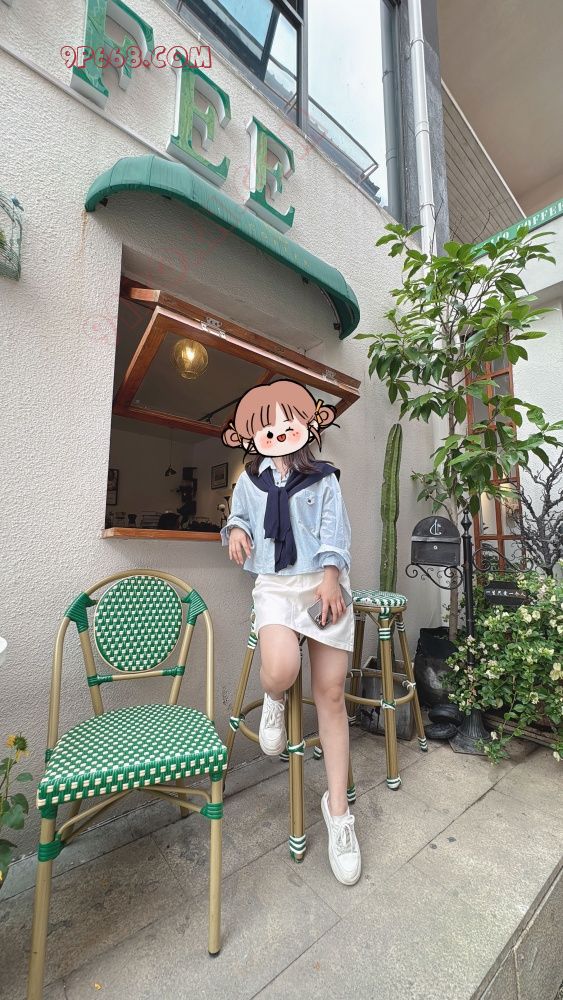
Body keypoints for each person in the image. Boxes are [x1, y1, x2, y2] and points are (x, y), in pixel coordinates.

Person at [221, 380, 360, 885]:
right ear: (251, 435)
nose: (278, 433)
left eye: (287, 424)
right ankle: (275, 698)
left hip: (323, 582)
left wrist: (331, 579)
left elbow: (335, 530)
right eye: (267, 428)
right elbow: (237, 518)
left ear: (306, 426)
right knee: (280, 669)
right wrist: (237, 530)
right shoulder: (249, 481)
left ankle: (338, 812)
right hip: (276, 586)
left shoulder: (323, 478)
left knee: (330, 694)